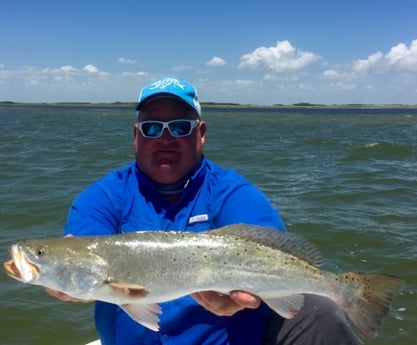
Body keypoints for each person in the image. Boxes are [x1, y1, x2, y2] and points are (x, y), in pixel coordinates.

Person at [47, 77, 361, 345]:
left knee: (323, 312)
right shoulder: (103, 196)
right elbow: (86, 249)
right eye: (152, 128)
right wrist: (69, 281)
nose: (166, 138)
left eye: (181, 127)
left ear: (201, 133)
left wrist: (244, 300)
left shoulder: (232, 192)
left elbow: (268, 244)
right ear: (136, 135)